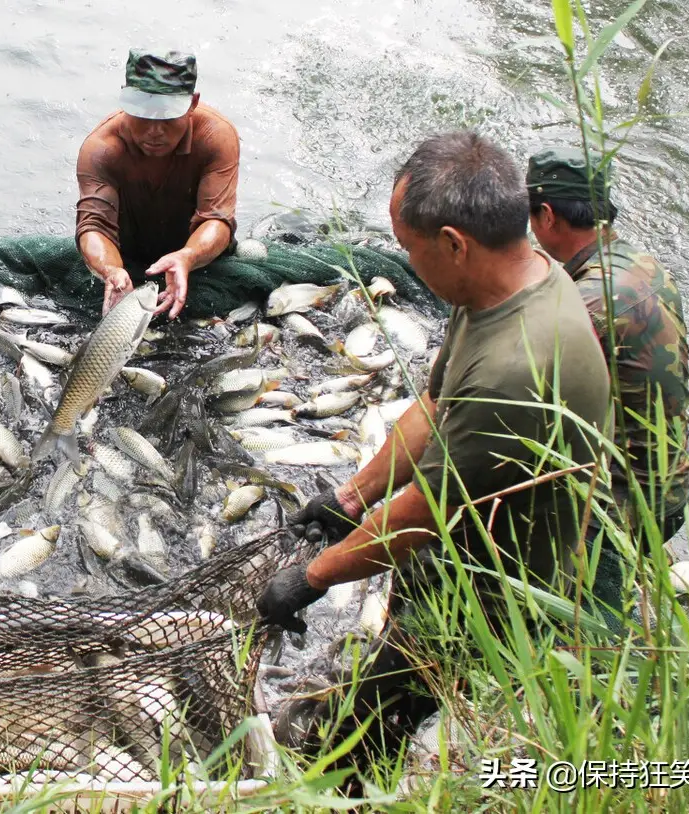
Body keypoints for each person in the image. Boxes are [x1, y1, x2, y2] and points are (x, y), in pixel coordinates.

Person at [258, 132, 611, 782]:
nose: (407, 261)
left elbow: (422, 516)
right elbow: (434, 403)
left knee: (348, 742)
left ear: (453, 242)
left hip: (494, 595)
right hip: (454, 555)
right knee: (376, 700)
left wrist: (311, 579)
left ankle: (351, 787)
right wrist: (349, 498)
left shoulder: (517, 367)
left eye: (410, 248)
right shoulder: (505, 283)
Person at [526, 146, 689, 553]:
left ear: (546, 216)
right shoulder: (644, 264)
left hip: (631, 507)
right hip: (674, 478)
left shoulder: (586, 305)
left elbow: (522, 405)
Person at [76, 49, 240, 319]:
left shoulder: (215, 136)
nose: (154, 131)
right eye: (143, 114)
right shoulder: (102, 149)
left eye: (167, 116)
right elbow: (94, 225)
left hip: (194, 255)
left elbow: (217, 219)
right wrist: (111, 270)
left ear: (192, 103)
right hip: (126, 254)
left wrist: (187, 256)